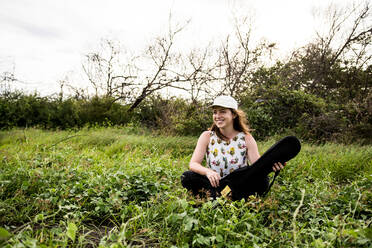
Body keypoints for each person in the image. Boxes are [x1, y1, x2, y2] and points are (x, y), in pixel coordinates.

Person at [181, 95, 286, 200]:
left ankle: (219, 197)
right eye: (215, 112)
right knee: (187, 177)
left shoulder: (246, 138)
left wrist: (272, 167)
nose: (217, 116)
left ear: (234, 114)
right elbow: (193, 164)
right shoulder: (207, 136)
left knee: (263, 181)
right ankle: (223, 196)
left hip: (239, 184)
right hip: (215, 184)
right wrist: (208, 172)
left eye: (222, 111)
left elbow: (257, 167)